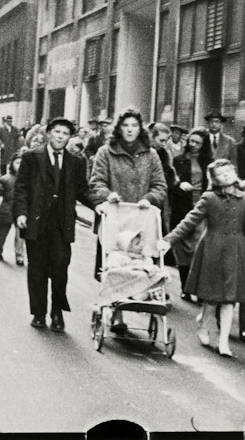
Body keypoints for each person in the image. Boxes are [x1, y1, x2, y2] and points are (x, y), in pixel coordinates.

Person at [161, 158, 245, 357]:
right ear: (214, 180)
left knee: (229, 299)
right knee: (212, 297)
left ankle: (223, 341)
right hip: (212, 250)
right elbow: (189, 221)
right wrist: (169, 240)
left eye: (228, 171)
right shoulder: (209, 198)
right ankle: (203, 322)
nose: (226, 175)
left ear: (235, 173)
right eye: (220, 174)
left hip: (236, 251)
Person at [13, 118, 98, 331]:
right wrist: (21, 213)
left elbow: (82, 190)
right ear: (49, 133)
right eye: (57, 132)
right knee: (37, 269)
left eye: (65, 133)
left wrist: (100, 204)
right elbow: (21, 187)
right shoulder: (32, 157)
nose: (60, 136)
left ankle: (57, 311)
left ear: (69, 138)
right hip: (37, 223)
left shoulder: (76, 162)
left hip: (61, 224)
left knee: (61, 267)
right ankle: (39, 313)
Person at [89, 107, 168, 333]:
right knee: (113, 264)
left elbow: (160, 185)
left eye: (134, 125)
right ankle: (117, 313)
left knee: (141, 263)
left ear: (140, 129)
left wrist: (149, 198)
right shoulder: (106, 152)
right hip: (115, 217)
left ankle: (139, 298)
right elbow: (96, 181)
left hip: (142, 220)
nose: (130, 130)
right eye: (126, 125)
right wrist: (108, 195)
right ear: (119, 128)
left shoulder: (151, 155)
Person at [169, 127, 213, 296]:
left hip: (202, 207)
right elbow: (170, 183)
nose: (193, 145)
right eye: (191, 141)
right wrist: (178, 185)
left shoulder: (209, 162)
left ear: (204, 145)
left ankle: (199, 288)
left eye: (198, 143)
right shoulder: (178, 160)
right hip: (183, 206)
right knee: (183, 249)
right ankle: (185, 288)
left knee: (200, 249)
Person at [0, 155, 25, 265]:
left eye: (22, 163)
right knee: (2, 233)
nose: (19, 166)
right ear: (12, 164)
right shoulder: (5, 179)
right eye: (17, 163)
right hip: (7, 209)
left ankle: (20, 256)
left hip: (22, 211)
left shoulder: (28, 179)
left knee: (20, 236)